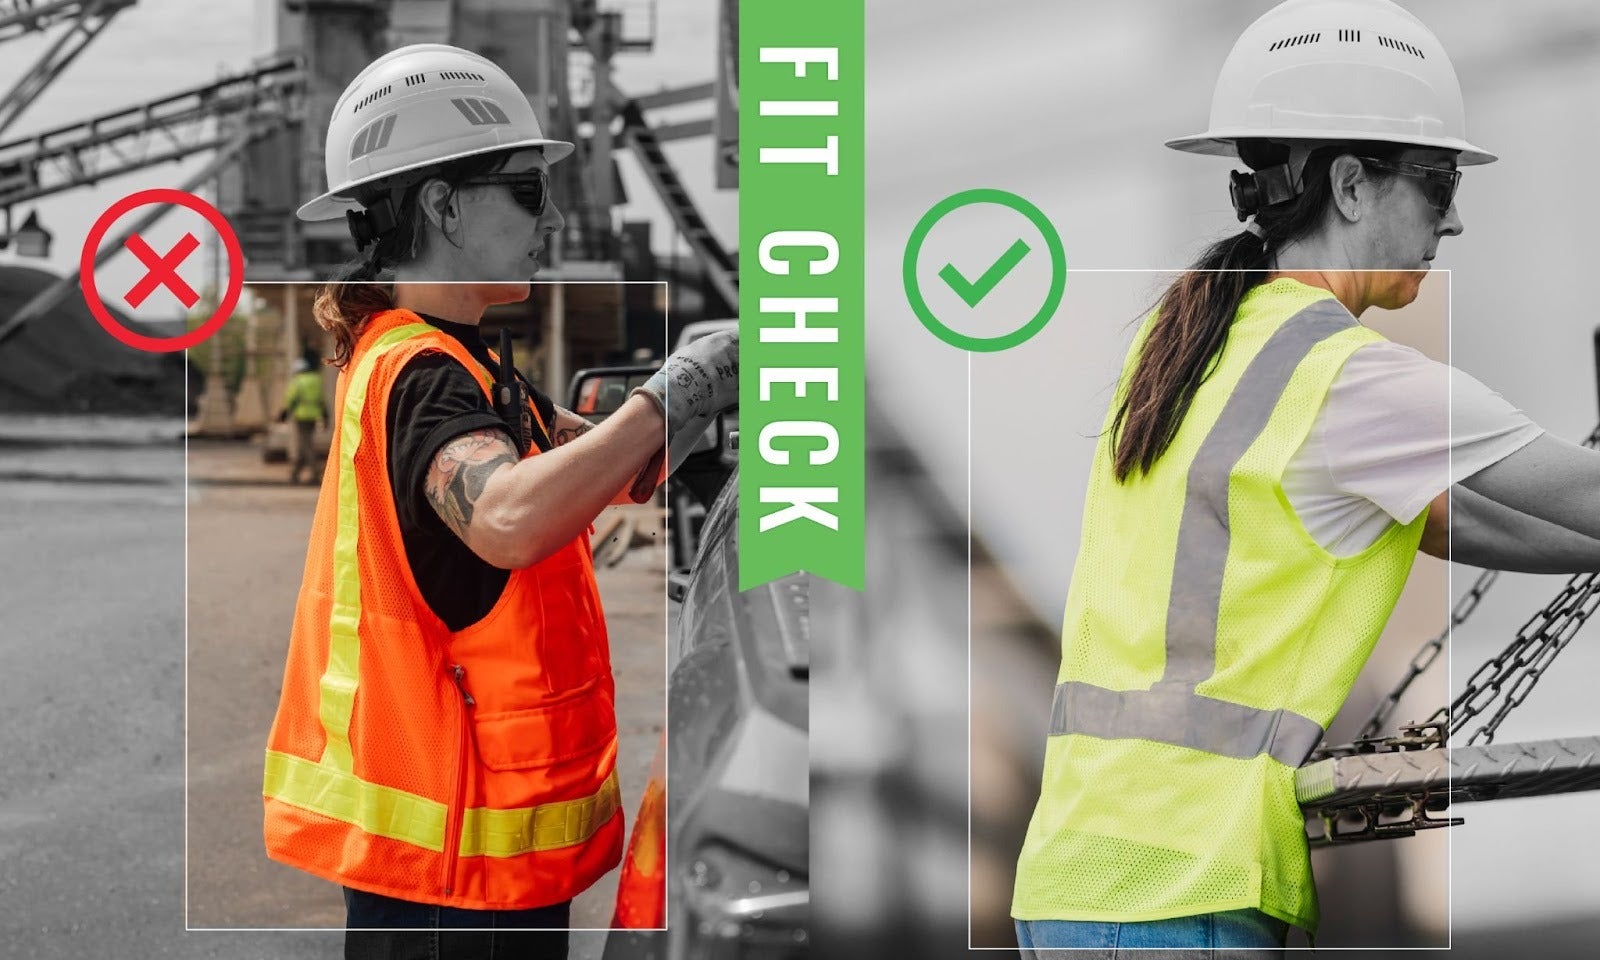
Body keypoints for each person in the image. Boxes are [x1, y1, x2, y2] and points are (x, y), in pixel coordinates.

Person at [1010, 0, 1600, 955]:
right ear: (1353, 185)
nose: (1455, 216)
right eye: (1437, 178)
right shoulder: (1346, 379)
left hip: (1087, 874)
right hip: (1177, 887)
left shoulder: (1193, 347)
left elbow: (1461, 521)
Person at [260, 43, 737, 960]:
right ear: (442, 204)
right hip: (452, 872)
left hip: (461, 858)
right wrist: (680, 388)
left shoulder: (454, 364)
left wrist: (667, 423)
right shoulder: (425, 376)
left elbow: (588, 457)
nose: (551, 214)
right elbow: (509, 514)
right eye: (526, 188)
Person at [278, 357, 327, 485]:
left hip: (301, 415)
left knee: (306, 445)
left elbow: (292, 398)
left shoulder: (298, 381)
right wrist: (324, 415)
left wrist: (284, 413)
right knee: (304, 443)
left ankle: (314, 472)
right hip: (314, 415)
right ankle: (295, 473)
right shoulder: (316, 379)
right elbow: (321, 399)